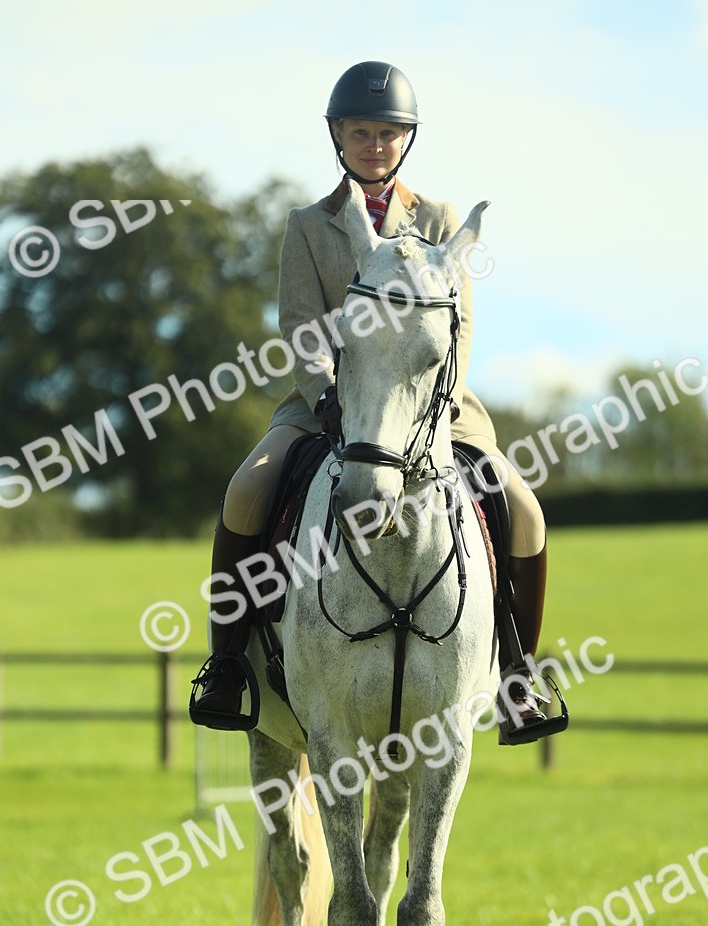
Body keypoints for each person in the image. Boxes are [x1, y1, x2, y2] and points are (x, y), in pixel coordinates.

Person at [192, 61, 556, 745]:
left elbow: (458, 327)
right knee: (246, 491)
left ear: (406, 139)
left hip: (436, 408)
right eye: (360, 132)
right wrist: (328, 394)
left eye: (387, 133)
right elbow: (301, 324)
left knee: (525, 511)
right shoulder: (309, 225)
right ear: (337, 137)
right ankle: (229, 664)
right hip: (324, 407)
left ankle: (518, 676)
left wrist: (435, 402)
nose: (374, 145)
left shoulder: (442, 220)